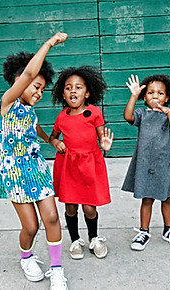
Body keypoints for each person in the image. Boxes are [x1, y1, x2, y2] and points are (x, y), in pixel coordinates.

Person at [0, 32, 68, 290]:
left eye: (42, 89)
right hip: (14, 171)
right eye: (36, 87)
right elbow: (28, 74)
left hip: (36, 167)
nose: (39, 93)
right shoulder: (7, 103)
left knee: (51, 218)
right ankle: (26, 257)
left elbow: (34, 128)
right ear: (18, 82)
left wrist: (50, 140)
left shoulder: (29, 111)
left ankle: (57, 270)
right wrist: (48, 43)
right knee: (31, 226)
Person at [49, 66, 113, 260]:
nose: (73, 91)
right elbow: (52, 137)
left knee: (89, 207)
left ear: (87, 93)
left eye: (78, 87)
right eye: (68, 87)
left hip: (90, 164)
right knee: (70, 207)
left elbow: (102, 136)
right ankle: (75, 240)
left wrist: (104, 144)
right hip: (68, 166)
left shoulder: (94, 112)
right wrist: (56, 142)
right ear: (63, 93)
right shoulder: (62, 116)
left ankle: (94, 238)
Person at [122, 74, 170, 251]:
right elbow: (128, 116)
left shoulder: (168, 115)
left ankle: (169, 230)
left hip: (165, 162)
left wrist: (169, 113)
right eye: (151, 93)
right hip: (146, 163)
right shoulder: (142, 114)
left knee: (167, 198)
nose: (155, 96)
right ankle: (144, 231)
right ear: (145, 97)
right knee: (147, 198)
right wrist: (133, 95)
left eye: (160, 93)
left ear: (167, 98)